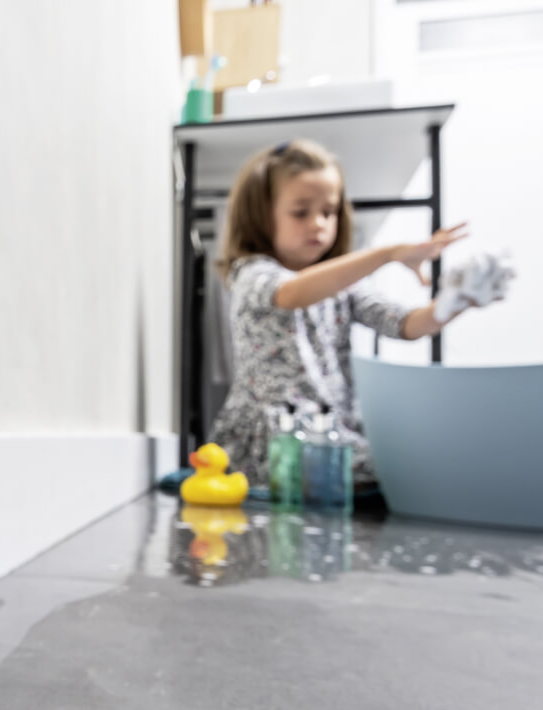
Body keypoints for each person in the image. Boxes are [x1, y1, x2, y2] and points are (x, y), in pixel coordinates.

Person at [208, 138, 511, 488]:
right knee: (404, 471)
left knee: (416, 462)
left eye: (329, 212)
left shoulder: (343, 285)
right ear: (260, 216)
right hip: (275, 440)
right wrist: (386, 254)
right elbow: (291, 294)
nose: (318, 223)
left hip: (327, 432)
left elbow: (404, 324)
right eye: (301, 212)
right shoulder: (252, 273)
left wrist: (454, 301)